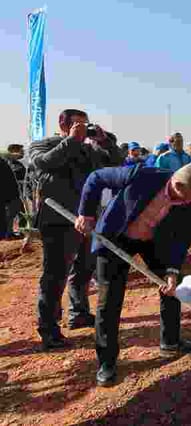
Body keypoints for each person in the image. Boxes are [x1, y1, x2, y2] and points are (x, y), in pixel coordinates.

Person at [74, 163, 191, 386]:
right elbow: (95, 177)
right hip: (115, 237)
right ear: (178, 185)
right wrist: (86, 213)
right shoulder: (141, 174)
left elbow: (181, 238)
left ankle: (170, 340)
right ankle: (107, 362)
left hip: (152, 242)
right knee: (109, 299)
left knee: (172, 287)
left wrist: (172, 271)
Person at [29, 109, 123, 350]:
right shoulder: (43, 145)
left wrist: (105, 141)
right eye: (79, 124)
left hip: (87, 219)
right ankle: (48, 329)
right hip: (58, 220)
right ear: (64, 125)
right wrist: (72, 140)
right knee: (55, 275)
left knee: (83, 269)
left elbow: (116, 163)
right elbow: (44, 163)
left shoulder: (89, 149)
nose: (84, 128)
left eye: (86, 124)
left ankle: (78, 313)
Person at [5, 145, 27, 236]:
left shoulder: (17, 164)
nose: (23, 152)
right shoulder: (11, 164)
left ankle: (20, 231)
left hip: (17, 194)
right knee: (12, 214)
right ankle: (8, 233)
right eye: (21, 150)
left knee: (21, 213)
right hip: (11, 195)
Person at [0, 157, 19, 240]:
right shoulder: (3, 163)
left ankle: (7, 233)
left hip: (8, 195)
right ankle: (7, 233)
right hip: (9, 195)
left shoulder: (3, 163)